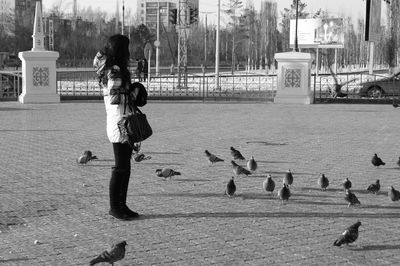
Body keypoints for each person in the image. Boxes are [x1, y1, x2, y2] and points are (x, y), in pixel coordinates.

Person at [93, 34, 140, 220]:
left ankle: (122, 205)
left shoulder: (107, 67)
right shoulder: (114, 70)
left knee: (125, 168)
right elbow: (115, 98)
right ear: (121, 50)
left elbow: (97, 58)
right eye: (126, 48)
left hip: (120, 120)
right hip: (120, 123)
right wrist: (132, 92)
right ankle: (115, 207)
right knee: (121, 168)